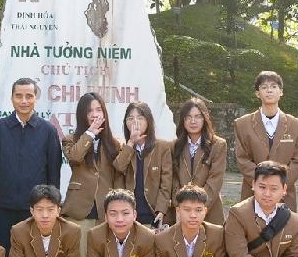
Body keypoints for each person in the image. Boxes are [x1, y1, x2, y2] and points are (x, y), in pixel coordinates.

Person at [0, 77, 62, 250]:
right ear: (12, 98)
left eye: (29, 96)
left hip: (36, 206)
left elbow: (54, 171)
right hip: (3, 205)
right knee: (5, 251)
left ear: (36, 98)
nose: (24, 101)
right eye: (19, 96)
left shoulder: (48, 130)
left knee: (33, 252)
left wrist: (51, 205)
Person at [233, 71, 298, 206]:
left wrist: (279, 186)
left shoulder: (296, 125)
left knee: (284, 227)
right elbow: (242, 159)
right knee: (252, 227)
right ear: (257, 93)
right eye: (264, 87)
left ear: (281, 92)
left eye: (273, 87)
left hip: (285, 194)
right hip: (252, 193)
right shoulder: (242, 124)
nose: (269, 91)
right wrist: (261, 186)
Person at [63, 92, 122, 226]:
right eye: (89, 111)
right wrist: (89, 133)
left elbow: (119, 176)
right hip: (79, 210)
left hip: (105, 210)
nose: (94, 114)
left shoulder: (114, 144)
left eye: (98, 110)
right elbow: (75, 157)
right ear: (82, 114)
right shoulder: (70, 140)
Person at [113, 101, 171, 230]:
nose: (135, 122)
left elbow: (166, 183)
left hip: (154, 215)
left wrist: (161, 209)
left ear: (148, 121)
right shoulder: (125, 148)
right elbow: (118, 167)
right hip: (131, 216)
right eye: (130, 118)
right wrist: (131, 142)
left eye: (140, 118)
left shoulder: (162, 147)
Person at [170, 97, 227, 224]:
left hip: (209, 210)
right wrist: (180, 205)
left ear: (205, 119)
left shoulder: (218, 144)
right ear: (183, 120)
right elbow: (173, 180)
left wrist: (198, 208)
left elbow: (215, 180)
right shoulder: (175, 146)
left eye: (198, 116)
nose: (193, 121)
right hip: (181, 212)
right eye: (188, 117)